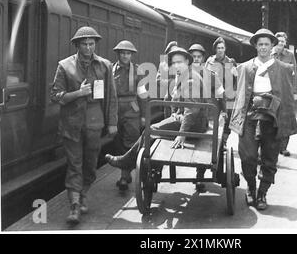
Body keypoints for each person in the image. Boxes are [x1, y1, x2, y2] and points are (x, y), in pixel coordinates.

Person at [105, 47, 209, 175]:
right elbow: (177, 101)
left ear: (187, 61)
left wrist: (182, 134)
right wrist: (175, 113)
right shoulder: (183, 76)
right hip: (185, 120)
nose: (176, 65)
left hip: (194, 124)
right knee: (149, 131)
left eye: (180, 62)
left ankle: (127, 163)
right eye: (174, 63)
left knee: (150, 130)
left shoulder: (191, 79)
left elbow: (192, 110)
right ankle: (129, 162)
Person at [50, 26, 118, 225]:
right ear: (77, 45)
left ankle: (83, 192)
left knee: (90, 164)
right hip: (71, 124)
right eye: (84, 44)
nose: (88, 47)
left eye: (91, 44)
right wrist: (78, 93)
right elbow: (55, 96)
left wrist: (112, 122)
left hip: (95, 124)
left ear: (95, 44)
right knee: (74, 164)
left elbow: (111, 97)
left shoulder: (105, 66)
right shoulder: (64, 66)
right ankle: (75, 205)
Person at [230, 28, 297, 210]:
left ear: (272, 46)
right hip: (250, 117)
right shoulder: (244, 67)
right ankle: (251, 189)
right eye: (260, 44)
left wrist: (287, 123)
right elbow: (238, 96)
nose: (263, 48)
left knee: (269, 159)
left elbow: (288, 98)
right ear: (255, 46)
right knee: (248, 157)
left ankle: (262, 194)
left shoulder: (283, 69)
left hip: (272, 118)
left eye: (267, 44)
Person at [188, 43, 226, 192]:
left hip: (208, 114)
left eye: (199, 56)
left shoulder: (210, 75)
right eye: (193, 56)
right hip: (190, 114)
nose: (196, 59)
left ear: (203, 58)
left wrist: (223, 111)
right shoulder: (184, 74)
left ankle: (200, 175)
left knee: (205, 144)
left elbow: (221, 94)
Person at [112, 40, 147, 191]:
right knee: (118, 141)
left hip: (132, 109)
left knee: (130, 141)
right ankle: (126, 173)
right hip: (115, 109)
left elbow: (143, 95)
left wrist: (144, 115)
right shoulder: (111, 70)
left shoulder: (137, 71)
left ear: (131, 55)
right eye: (122, 53)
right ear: (118, 54)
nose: (125, 56)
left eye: (128, 53)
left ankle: (125, 176)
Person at [271, 32, 297, 157]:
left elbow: (294, 74)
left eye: (283, 41)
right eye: (279, 41)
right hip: (272, 90)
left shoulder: (290, 55)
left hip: (286, 91)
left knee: (286, 118)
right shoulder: (270, 54)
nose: (281, 43)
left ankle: (283, 147)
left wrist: (294, 91)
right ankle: (272, 146)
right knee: (272, 118)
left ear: (285, 43)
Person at [205, 37, 237, 136]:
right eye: (218, 48)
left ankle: (223, 142)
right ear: (215, 49)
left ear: (225, 49)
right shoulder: (210, 61)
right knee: (212, 119)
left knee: (227, 120)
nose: (220, 50)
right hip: (213, 95)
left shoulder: (230, 62)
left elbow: (236, 79)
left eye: (222, 48)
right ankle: (212, 141)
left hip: (226, 95)